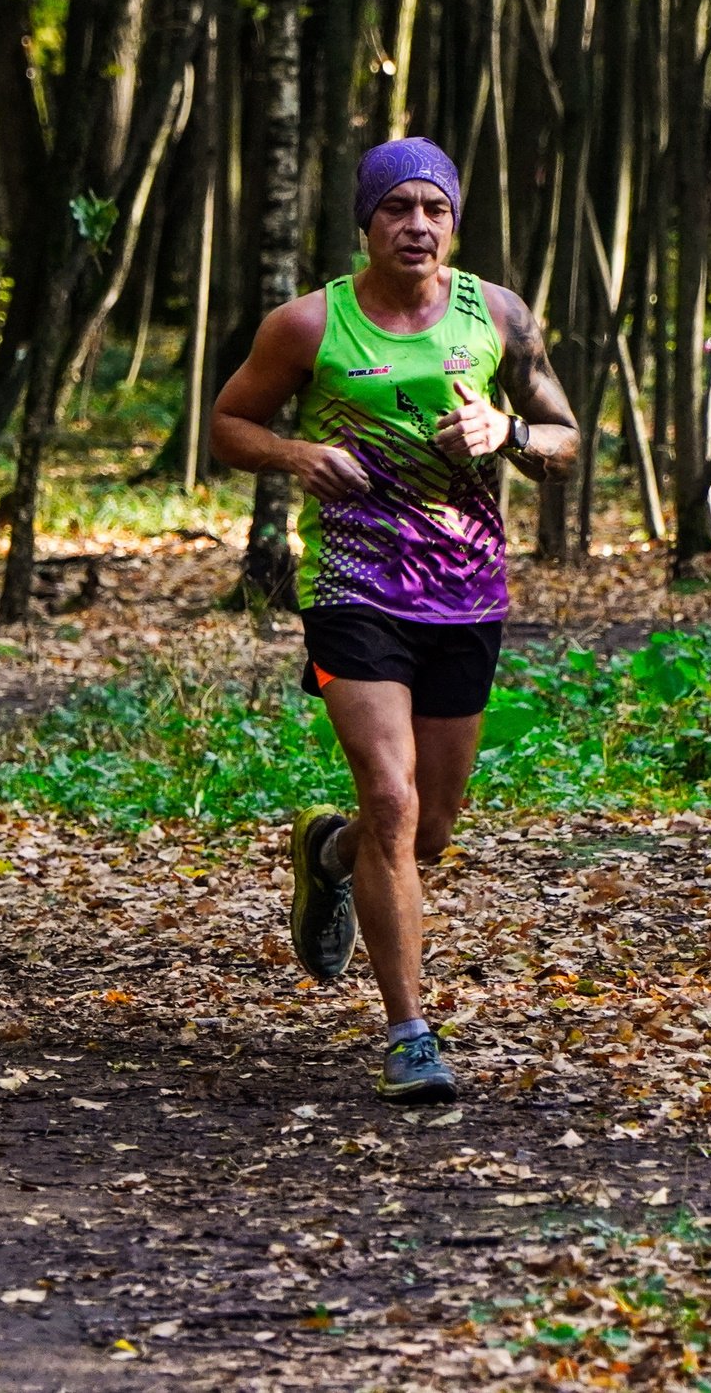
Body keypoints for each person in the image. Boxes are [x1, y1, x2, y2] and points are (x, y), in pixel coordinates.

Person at [210, 138, 580, 1105]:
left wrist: (513, 433)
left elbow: (567, 438)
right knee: (392, 797)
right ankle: (410, 1032)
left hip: (467, 593)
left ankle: (327, 856)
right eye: (397, 209)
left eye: (436, 210)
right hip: (354, 588)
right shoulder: (307, 324)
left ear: (454, 223)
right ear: (367, 224)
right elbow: (226, 424)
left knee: (429, 831)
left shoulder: (498, 314)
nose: (417, 224)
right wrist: (295, 454)